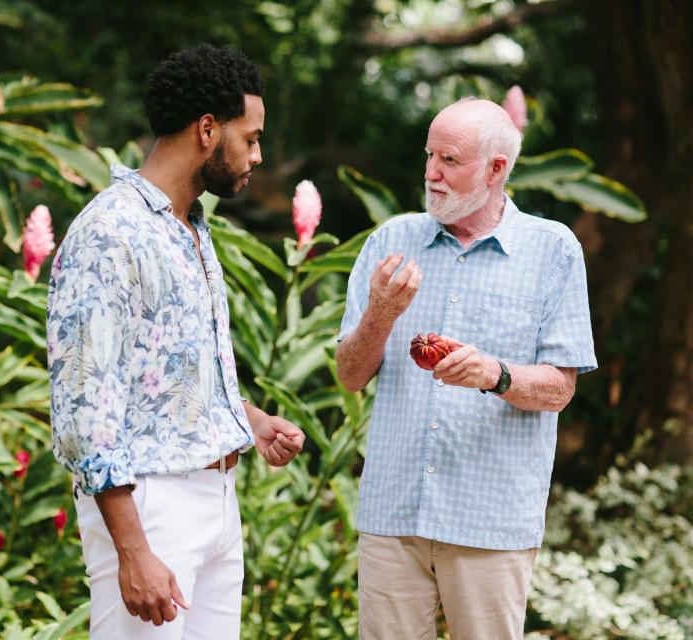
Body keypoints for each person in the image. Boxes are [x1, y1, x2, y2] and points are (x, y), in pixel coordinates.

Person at [46, 44, 305, 639]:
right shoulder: (112, 231)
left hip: (216, 500)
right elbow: (86, 404)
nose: (257, 156)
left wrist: (246, 418)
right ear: (208, 130)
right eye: (252, 138)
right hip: (149, 507)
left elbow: (160, 375)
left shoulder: (189, 225)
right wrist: (133, 550)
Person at [335, 98, 597, 639]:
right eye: (429, 155)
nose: (431, 171)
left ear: (497, 168)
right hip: (393, 513)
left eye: (449, 160)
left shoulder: (554, 251)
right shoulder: (390, 242)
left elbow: (559, 390)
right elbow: (350, 375)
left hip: (490, 522)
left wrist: (495, 375)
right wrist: (382, 311)